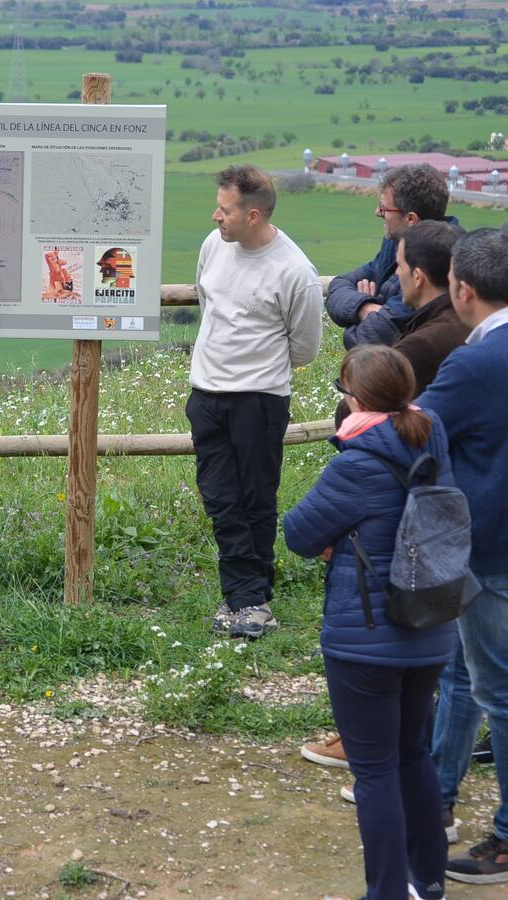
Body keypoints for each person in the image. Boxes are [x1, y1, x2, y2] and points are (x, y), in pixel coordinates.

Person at [285, 343, 456, 900]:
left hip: (365, 640)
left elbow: (299, 534)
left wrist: (339, 539)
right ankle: (428, 880)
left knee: (375, 771)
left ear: (355, 399)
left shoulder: (355, 463)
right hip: (430, 628)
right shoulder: (432, 438)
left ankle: (386, 892)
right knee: (414, 754)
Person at [304, 220, 471, 776]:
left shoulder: (431, 342)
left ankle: (400, 761)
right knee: (446, 665)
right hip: (430, 520)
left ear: (419, 275)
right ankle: (420, 772)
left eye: (398, 266)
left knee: (450, 671)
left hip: (419, 532)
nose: (391, 274)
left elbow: (368, 352)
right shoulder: (439, 324)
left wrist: (368, 320)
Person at [186, 165, 322, 640]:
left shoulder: (294, 271)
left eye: (225, 210)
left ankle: (248, 597)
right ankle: (249, 595)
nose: (215, 216)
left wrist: (255, 370)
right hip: (206, 394)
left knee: (255, 497)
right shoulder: (213, 246)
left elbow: (304, 347)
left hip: (260, 399)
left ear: (254, 214)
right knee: (221, 497)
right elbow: (211, 307)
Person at [415, 227, 508, 885]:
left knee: (497, 693)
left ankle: (506, 839)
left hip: (494, 549)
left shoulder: (477, 363)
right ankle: (437, 796)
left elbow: (415, 429)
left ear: (463, 290)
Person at [326, 164, 453, 348]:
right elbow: (338, 286)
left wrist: (359, 318)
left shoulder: (437, 263)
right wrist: (366, 307)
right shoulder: (394, 244)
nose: (377, 213)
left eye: (384, 209)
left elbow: (365, 340)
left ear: (410, 219)